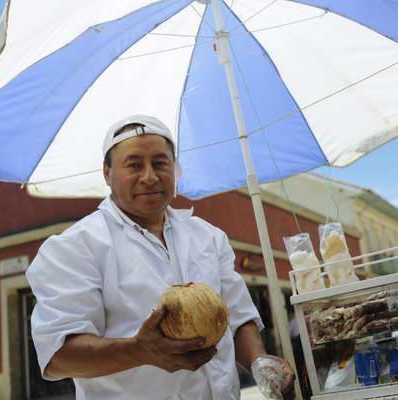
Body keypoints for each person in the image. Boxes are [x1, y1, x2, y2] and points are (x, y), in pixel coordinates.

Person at [26, 115, 295, 400]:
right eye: (133, 165)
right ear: (107, 173)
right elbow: (58, 358)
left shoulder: (208, 237)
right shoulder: (74, 246)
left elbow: (238, 319)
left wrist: (258, 360)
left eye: (160, 163)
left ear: (174, 169)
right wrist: (139, 351)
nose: (150, 176)